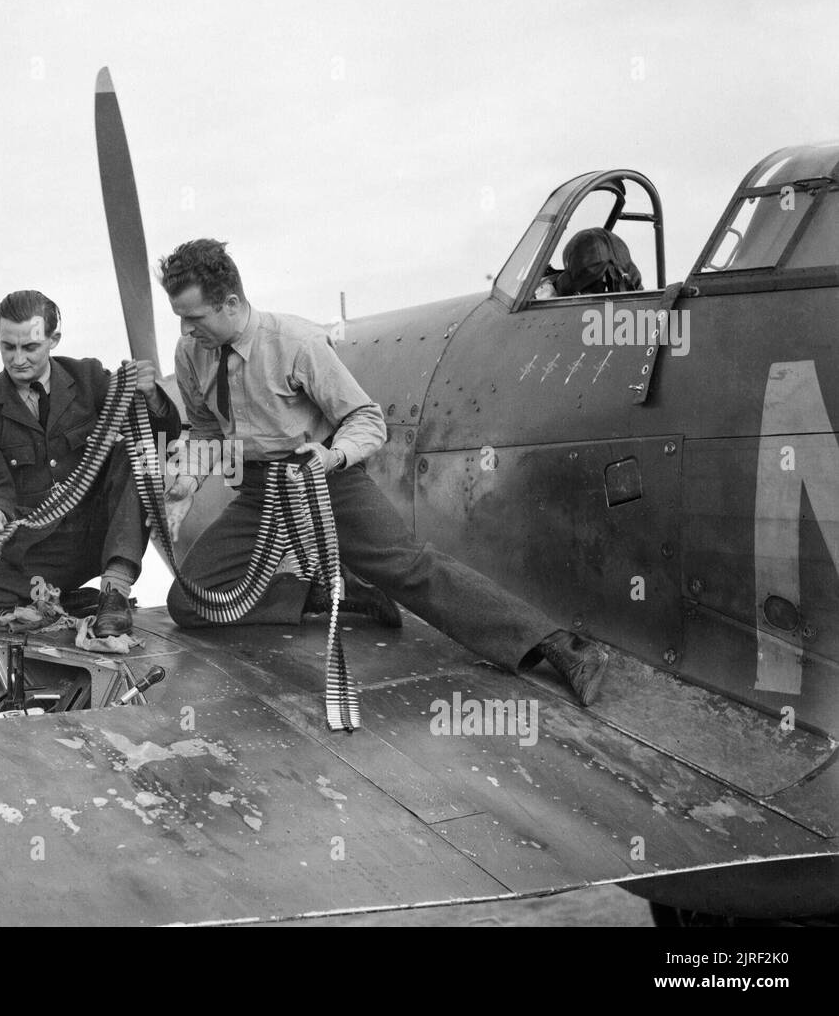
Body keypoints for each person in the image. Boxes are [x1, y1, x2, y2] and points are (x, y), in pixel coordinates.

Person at [157, 239, 611, 706]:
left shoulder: (297, 344)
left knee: (409, 567)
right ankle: (329, 595)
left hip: (325, 478)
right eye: (180, 318)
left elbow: (367, 420)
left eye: (195, 318)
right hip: (260, 492)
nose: (187, 330)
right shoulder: (191, 353)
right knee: (189, 602)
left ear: (230, 303)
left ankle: (560, 646)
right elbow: (208, 430)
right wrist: (190, 475)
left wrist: (332, 457)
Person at [0, 289, 182, 636]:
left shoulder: (89, 379)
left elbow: (160, 433)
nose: (18, 359)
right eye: (8, 347)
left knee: (134, 453)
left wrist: (151, 396)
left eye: (30, 347)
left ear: (54, 339)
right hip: (43, 549)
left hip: (104, 530)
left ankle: (114, 592)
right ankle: (65, 601)